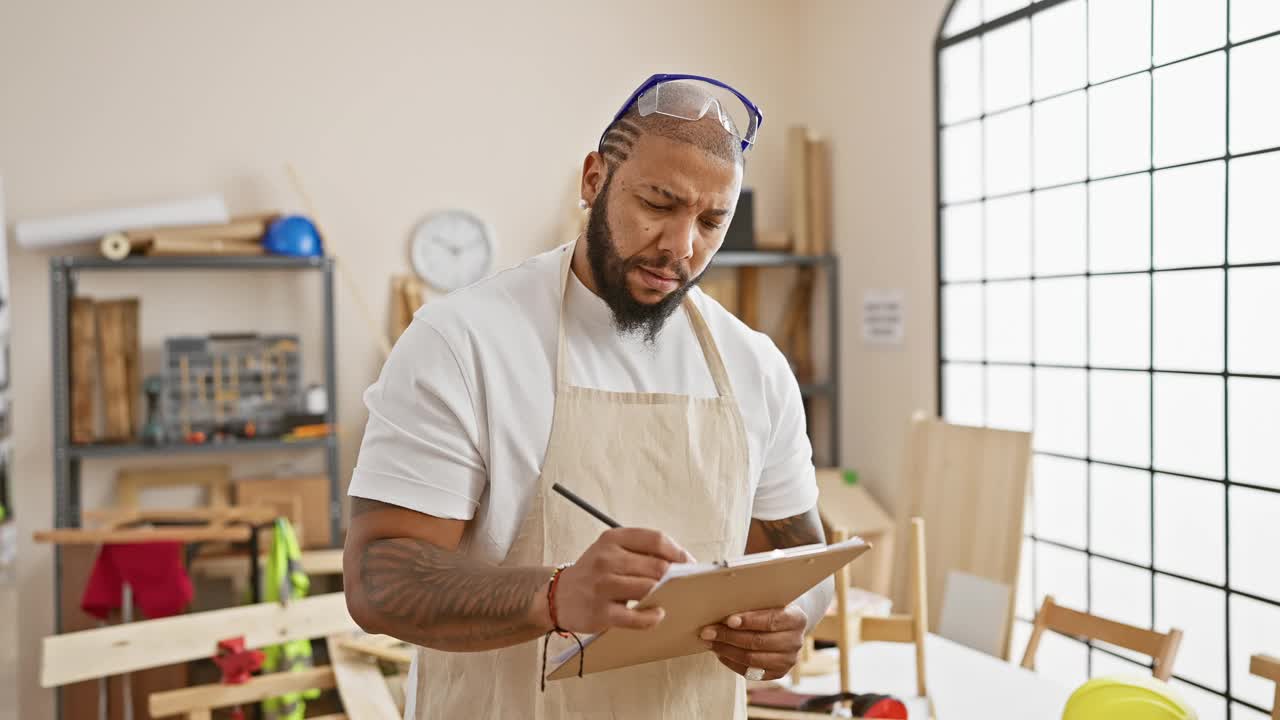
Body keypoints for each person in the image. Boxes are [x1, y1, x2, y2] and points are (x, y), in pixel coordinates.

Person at [343, 73, 832, 719]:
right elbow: (379, 579)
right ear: (594, 179)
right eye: (658, 203)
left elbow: (804, 557)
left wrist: (788, 619)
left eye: (712, 221)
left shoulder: (755, 367)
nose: (681, 247)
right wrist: (556, 595)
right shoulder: (463, 342)